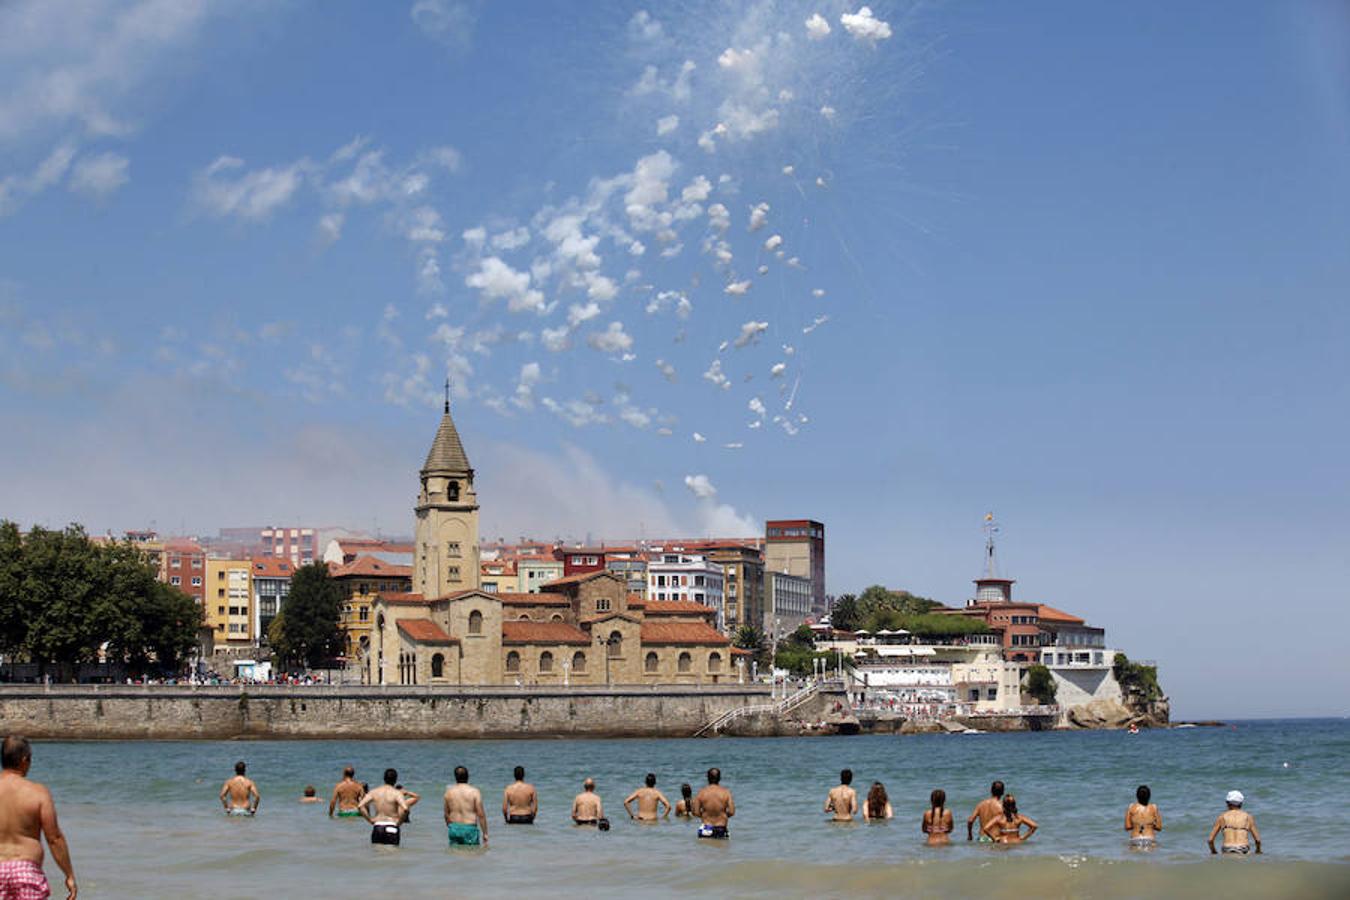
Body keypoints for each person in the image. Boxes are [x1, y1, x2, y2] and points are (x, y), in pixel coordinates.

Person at [0, 736, 77, 900]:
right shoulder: (37, 792)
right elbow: (54, 838)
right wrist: (69, 875)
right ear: (24, 760)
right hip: (26, 871)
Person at [358, 768, 410, 846]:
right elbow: (405, 809)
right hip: (392, 826)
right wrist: (399, 823)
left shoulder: (374, 792)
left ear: (384, 779)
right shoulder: (397, 793)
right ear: (395, 780)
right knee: (392, 856)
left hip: (378, 826)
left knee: (378, 855)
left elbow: (360, 806)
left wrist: (370, 820)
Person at [444, 766, 488, 847]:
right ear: (468, 776)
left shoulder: (448, 792)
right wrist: (485, 833)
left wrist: (452, 828)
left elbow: (446, 815)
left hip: (454, 828)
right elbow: (481, 814)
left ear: (455, 777)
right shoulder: (474, 792)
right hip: (469, 828)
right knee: (471, 855)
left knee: (455, 855)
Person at [1208, 790, 1261, 855]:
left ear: (1227, 803)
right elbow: (1258, 840)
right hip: (1243, 848)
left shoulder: (1222, 817)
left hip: (1227, 848)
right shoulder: (1248, 817)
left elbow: (1210, 840)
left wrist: (1213, 851)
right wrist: (1258, 850)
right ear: (1241, 803)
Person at [691, 768, 734, 840]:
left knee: (704, 851)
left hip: (706, 828)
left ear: (707, 778)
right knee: (722, 851)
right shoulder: (726, 792)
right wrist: (722, 815)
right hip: (721, 828)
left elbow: (696, 812)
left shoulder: (701, 793)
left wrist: (706, 815)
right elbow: (732, 812)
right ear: (720, 778)